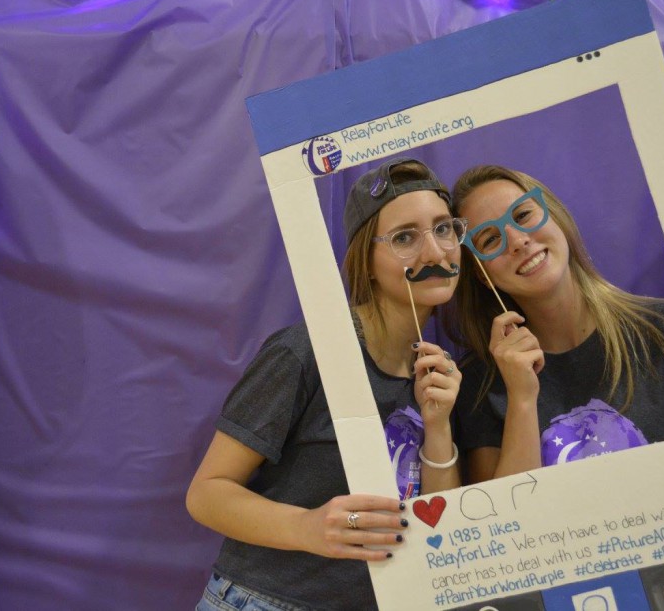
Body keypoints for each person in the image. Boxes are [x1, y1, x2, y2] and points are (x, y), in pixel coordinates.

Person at [187, 157, 466, 611]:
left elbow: (441, 526)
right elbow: (206, 494)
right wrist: (309, 526)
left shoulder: (440, 373)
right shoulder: (306, 352)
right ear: (367, 261)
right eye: (404, 238)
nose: (435, 253)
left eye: (443, 229)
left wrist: (438, 425)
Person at [447, 164, 664, 483]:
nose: (518, 241)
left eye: (522, 216)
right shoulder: (479, 384)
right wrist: (521, 398)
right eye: (490, 239)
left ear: (556, 215)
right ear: (481, 273)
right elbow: (506, 522)